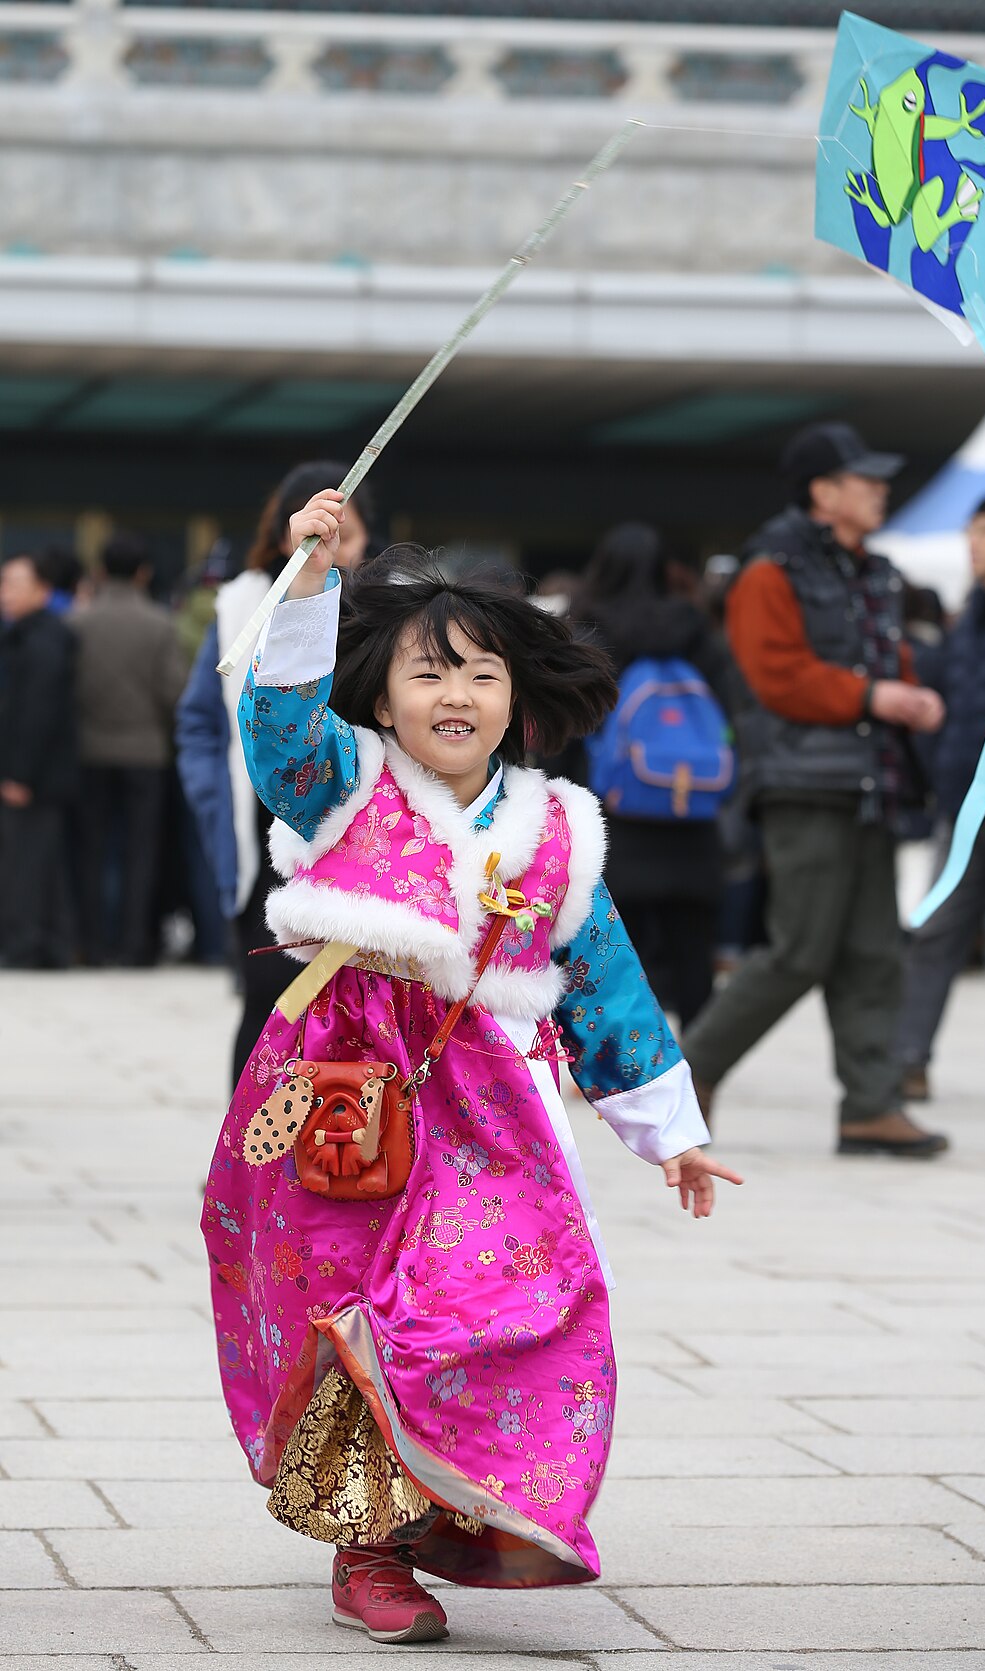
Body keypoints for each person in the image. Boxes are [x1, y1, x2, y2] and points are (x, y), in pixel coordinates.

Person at [203, 498, 742, 1645]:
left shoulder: (559, 828)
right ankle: (374, 1548)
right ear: (382, 695)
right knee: (347, 1321)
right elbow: (276, 720)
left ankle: (478, 1503)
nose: (456, 695)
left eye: (482, 674)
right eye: (428, 673)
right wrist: (307, 581)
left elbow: (607, 988)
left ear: (519, 696)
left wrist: (670, 1132)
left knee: (491, 1304)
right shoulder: (337, 778)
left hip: (494, 1108)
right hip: (341, 1094)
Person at [680, 421, 950, 1157]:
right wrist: (877, 697)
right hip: (803, 781)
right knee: (800, 948)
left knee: (874, 951)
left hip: (868, 782)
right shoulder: (771, 570)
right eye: (865, 480)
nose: (881, 490)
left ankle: (871, 1104)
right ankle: (690, 1071)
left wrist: (900, 695)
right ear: (824, 492)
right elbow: (776, 675)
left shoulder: (873, 569)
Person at [177, 461, 374, 1084]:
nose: (341, 538)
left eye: (352, 524)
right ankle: (246, 1167)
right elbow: (201, 723)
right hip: (260, 822)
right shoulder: (240, 602)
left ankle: (341, 1168)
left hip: (359, 829)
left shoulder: (386, 604)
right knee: (270, 1000)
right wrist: (216, 804)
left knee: (361, 1011)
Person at [575, 523, 733, 1030]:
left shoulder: (587, 632)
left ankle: (619, 1056)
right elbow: (733, 708)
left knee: (616, 946)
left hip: (613, 813)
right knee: (694, 948)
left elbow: (567, 727)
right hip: (692, 807)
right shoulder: (694, 630)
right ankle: (702, 1065)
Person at [897, 494, 985, 1100]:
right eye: (972, 529)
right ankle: (907, 1062)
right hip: (965, 806)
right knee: (936, 935)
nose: (975, 542)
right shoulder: (972, 614)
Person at [73, 533, 188, 966]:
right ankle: (134, 945)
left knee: (91, 850)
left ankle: (92, 943)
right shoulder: (159, 624)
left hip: (89, 750)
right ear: (144, 573)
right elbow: (173, 693)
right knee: (142, 850)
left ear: (100, 571)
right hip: (145, 753)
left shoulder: (78, 623)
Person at [0, 555, 77, 967]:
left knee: (28, 863)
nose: (4, 593)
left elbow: (37, 712)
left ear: (42, 590)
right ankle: (44, 944)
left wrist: (18, 773)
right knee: (35, 861)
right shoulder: (23, 634)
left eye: (13, 584)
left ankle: (29, 945)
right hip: (33, 774)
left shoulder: (43, 639)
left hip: (36, 777)